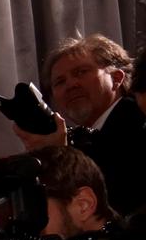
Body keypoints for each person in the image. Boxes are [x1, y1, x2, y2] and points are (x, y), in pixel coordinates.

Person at [26, 32, 146, 215]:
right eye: (59, 82)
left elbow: (113, 204)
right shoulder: (81, 138)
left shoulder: (137, 120)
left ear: (116, 78)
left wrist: (60, 155)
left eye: (81, 72)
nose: (71, 85)